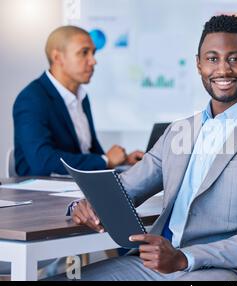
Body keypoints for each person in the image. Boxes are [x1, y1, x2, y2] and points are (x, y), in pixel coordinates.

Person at [51, 15, 237, 281]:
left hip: (226, 272)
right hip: (154, 266)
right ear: (199, 64)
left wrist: (184, 258)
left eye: (234, 58)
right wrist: (86, 204)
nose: (223, 69)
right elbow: (124, 190)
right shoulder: (179, 131)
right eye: (212, 59)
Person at [13, 26, 144, 177]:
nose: (93, 61)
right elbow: (42, 161)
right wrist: (105, 160)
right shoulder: (31, 98)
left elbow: (88, 153)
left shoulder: (82, 96)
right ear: (57, 58)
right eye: (84, 53)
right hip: (43, 194)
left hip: (79, 187)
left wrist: (122, 161)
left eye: (93, 53)